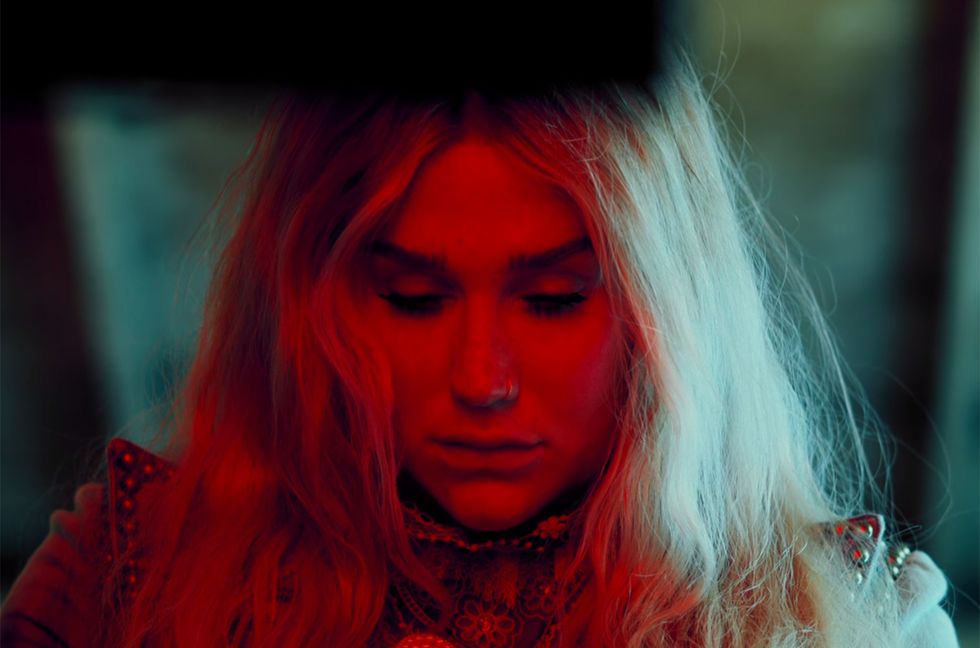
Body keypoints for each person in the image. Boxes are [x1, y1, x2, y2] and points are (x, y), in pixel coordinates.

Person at [0, 51, 959, 647]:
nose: (481, 381)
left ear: (672, 315)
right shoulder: (119, 575)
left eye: (552, 300)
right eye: (413, 300)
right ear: (304, 305)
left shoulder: (860, 619)